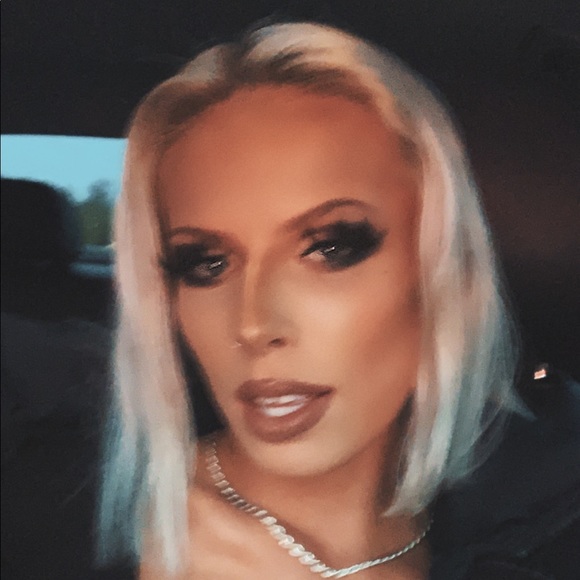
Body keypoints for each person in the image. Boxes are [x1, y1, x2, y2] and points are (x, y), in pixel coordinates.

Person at [97, 22, 580, 580]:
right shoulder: (70, 524)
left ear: (444, 274)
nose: (253, 325)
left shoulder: (541, 517)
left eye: (330, 248)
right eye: (206, 264)